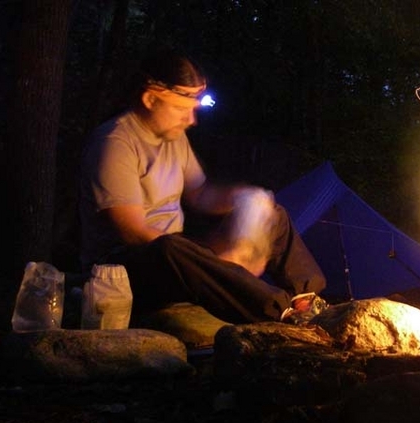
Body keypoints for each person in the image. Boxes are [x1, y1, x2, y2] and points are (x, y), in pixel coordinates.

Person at [79, 49, 327, 324]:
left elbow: (200, 194)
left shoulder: (173, 138)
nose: (191, 120)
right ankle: (279, 313)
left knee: (273, 215)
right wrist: (214, 264)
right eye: (182, 109)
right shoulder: (115, 142)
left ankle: (307, 301)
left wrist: (244, 199)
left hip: (178, 257)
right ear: (150, 99)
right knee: (171, 247)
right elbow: (132, 232)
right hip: (125, 268)